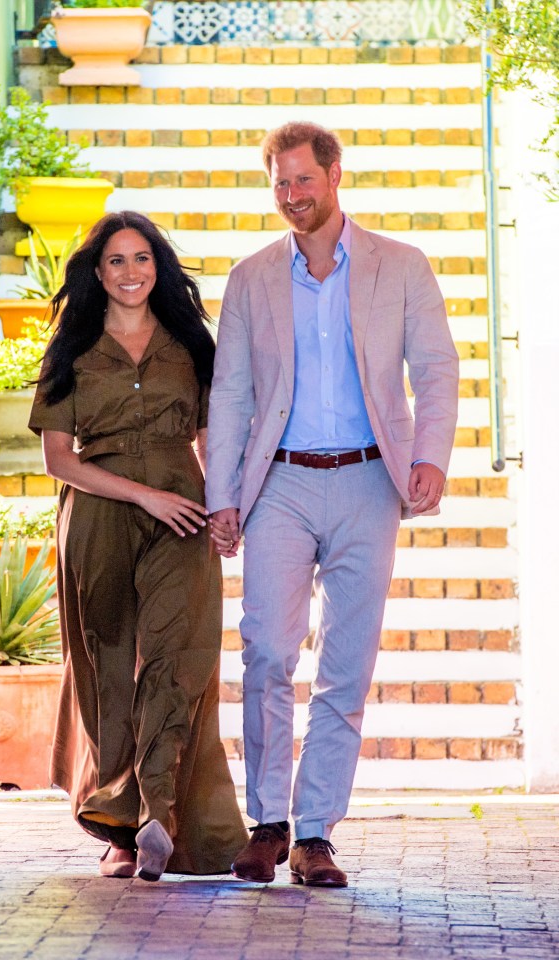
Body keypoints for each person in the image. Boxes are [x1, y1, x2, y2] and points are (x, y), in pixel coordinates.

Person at [206, 122, 459, 887]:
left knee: (345, 665)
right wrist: (223, 496)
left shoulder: (401, 266)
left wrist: (428, 458)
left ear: (335, 174)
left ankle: (316, 834)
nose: (292, 196)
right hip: (277, 484)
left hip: (367, 483)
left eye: (303, 181)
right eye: (280, 183)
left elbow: (437, 369)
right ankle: (268, 826)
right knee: (269, 656)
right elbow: (233, 396)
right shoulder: (251, 279)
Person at [29, 210, 247, 880]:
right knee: (110, 663)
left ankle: (157, 815)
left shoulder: (190, 344)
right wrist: (142, 494)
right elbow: (58, 460)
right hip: (97, 516)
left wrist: (224, 504)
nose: (131, 272)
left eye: (142, 259)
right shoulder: (72, 350)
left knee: (178, 655)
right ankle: (122, 832)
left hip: (183, 515)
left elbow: (214, 437)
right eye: (117, 261)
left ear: (160, 268)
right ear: (98, 273)